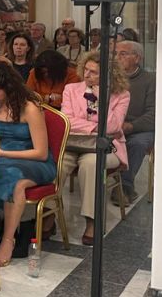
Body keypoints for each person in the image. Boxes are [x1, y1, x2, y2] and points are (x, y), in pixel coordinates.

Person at [0, 63, 55, 266]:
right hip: (1, 156)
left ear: (9, 87)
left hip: (31, 160)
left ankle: (8, 239)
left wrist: (1, 152)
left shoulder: (30, 108)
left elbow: (40, 152)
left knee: (15, 181)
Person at [60, 52, 130, 245]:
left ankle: (92, 221)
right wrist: (94, 128)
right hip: (74, 143)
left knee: (92, 163)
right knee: (58, 162)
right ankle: (49, 213)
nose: (87, 75)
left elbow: (114, 127)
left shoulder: (121, 95)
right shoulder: (71, 89)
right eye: (86, 70)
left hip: (108, 147)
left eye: (94, 72)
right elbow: (67, 120)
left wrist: (101, 101)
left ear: (108, 75)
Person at [116, 40, 155, 203]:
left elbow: (153, 114)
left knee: (136, 144)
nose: (117, 58)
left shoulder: (151, 80)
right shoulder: (109, 78)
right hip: (114, 126)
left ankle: (125, 187)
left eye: (123, 54)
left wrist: (130, 126)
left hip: (140, 128)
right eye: (116, 53)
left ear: (137, 59)